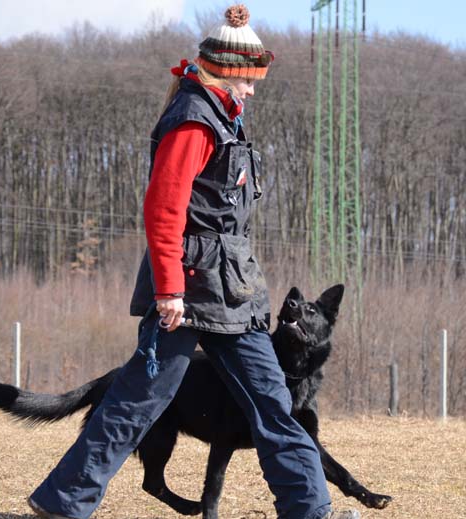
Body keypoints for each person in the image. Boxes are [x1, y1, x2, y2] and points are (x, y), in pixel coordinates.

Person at [27, 5, 360, 519]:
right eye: (248, 80)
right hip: (185, 290)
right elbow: (164, 210)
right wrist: (168, 290)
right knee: (138, 400)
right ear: (224, 72)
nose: (252, 91)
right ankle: (63, 502)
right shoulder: (193, 120)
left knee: (273, 402)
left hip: (233, 295)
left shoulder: (224, 118)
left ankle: (309, 510)